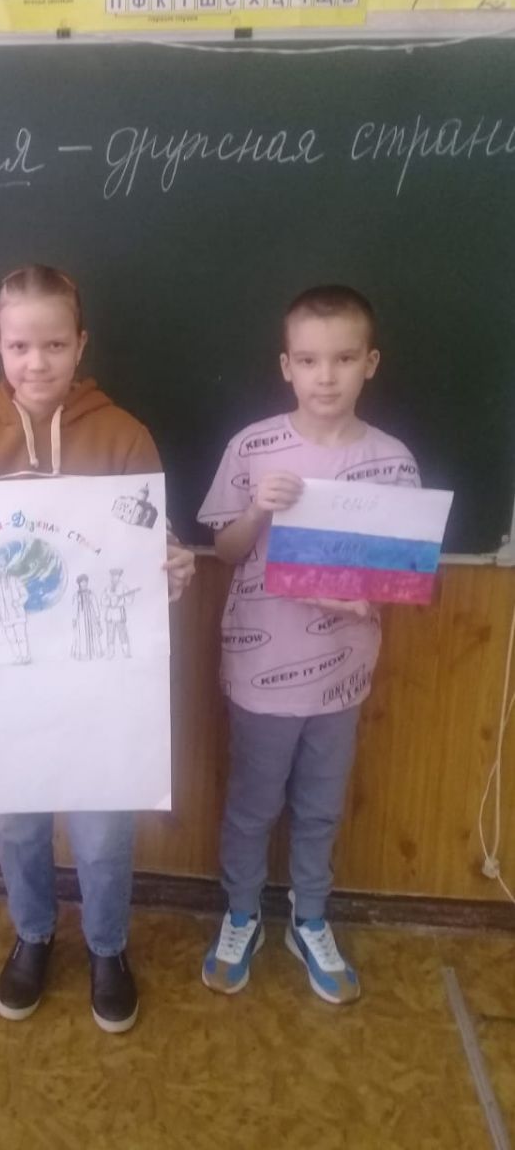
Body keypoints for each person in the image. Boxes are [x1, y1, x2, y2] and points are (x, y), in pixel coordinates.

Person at [0, 264, 195, 1033]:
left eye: (54, 344)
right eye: (20, 346)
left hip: (100, 683)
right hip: (4, 683)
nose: (37, 362)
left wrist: (174, 563)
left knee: (102, 829)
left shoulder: (124, 435)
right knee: (18, 822)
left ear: (81, 344)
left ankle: (108, 947)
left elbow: (150, 541)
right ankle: (34, 934)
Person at [197, 285, 420, 1005]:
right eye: (310, 360)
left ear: (370, 364)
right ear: (286, 365)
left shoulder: (391, 462)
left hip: (342, 674)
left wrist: (368, 595)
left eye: (344, 359)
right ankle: (241, 914)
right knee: (252, 804)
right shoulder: (254, 448)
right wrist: (258, 511)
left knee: (321, 806)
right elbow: (225, 551)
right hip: (260, 667)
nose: (327, 376)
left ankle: (309, 918)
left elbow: (398, 577)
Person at [71, 573, 103, 661]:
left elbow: (95, 605)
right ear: (79, 584)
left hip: (90, 616)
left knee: (93, 633)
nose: (84, 584)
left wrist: (97, 616)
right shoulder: (76, 595)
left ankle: (95, 652)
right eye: (82, 582)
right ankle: (83, 654)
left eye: (85, 582)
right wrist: (74, 619)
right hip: (81, 617)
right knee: (81, 634)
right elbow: (74, 608)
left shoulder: (91, 593)